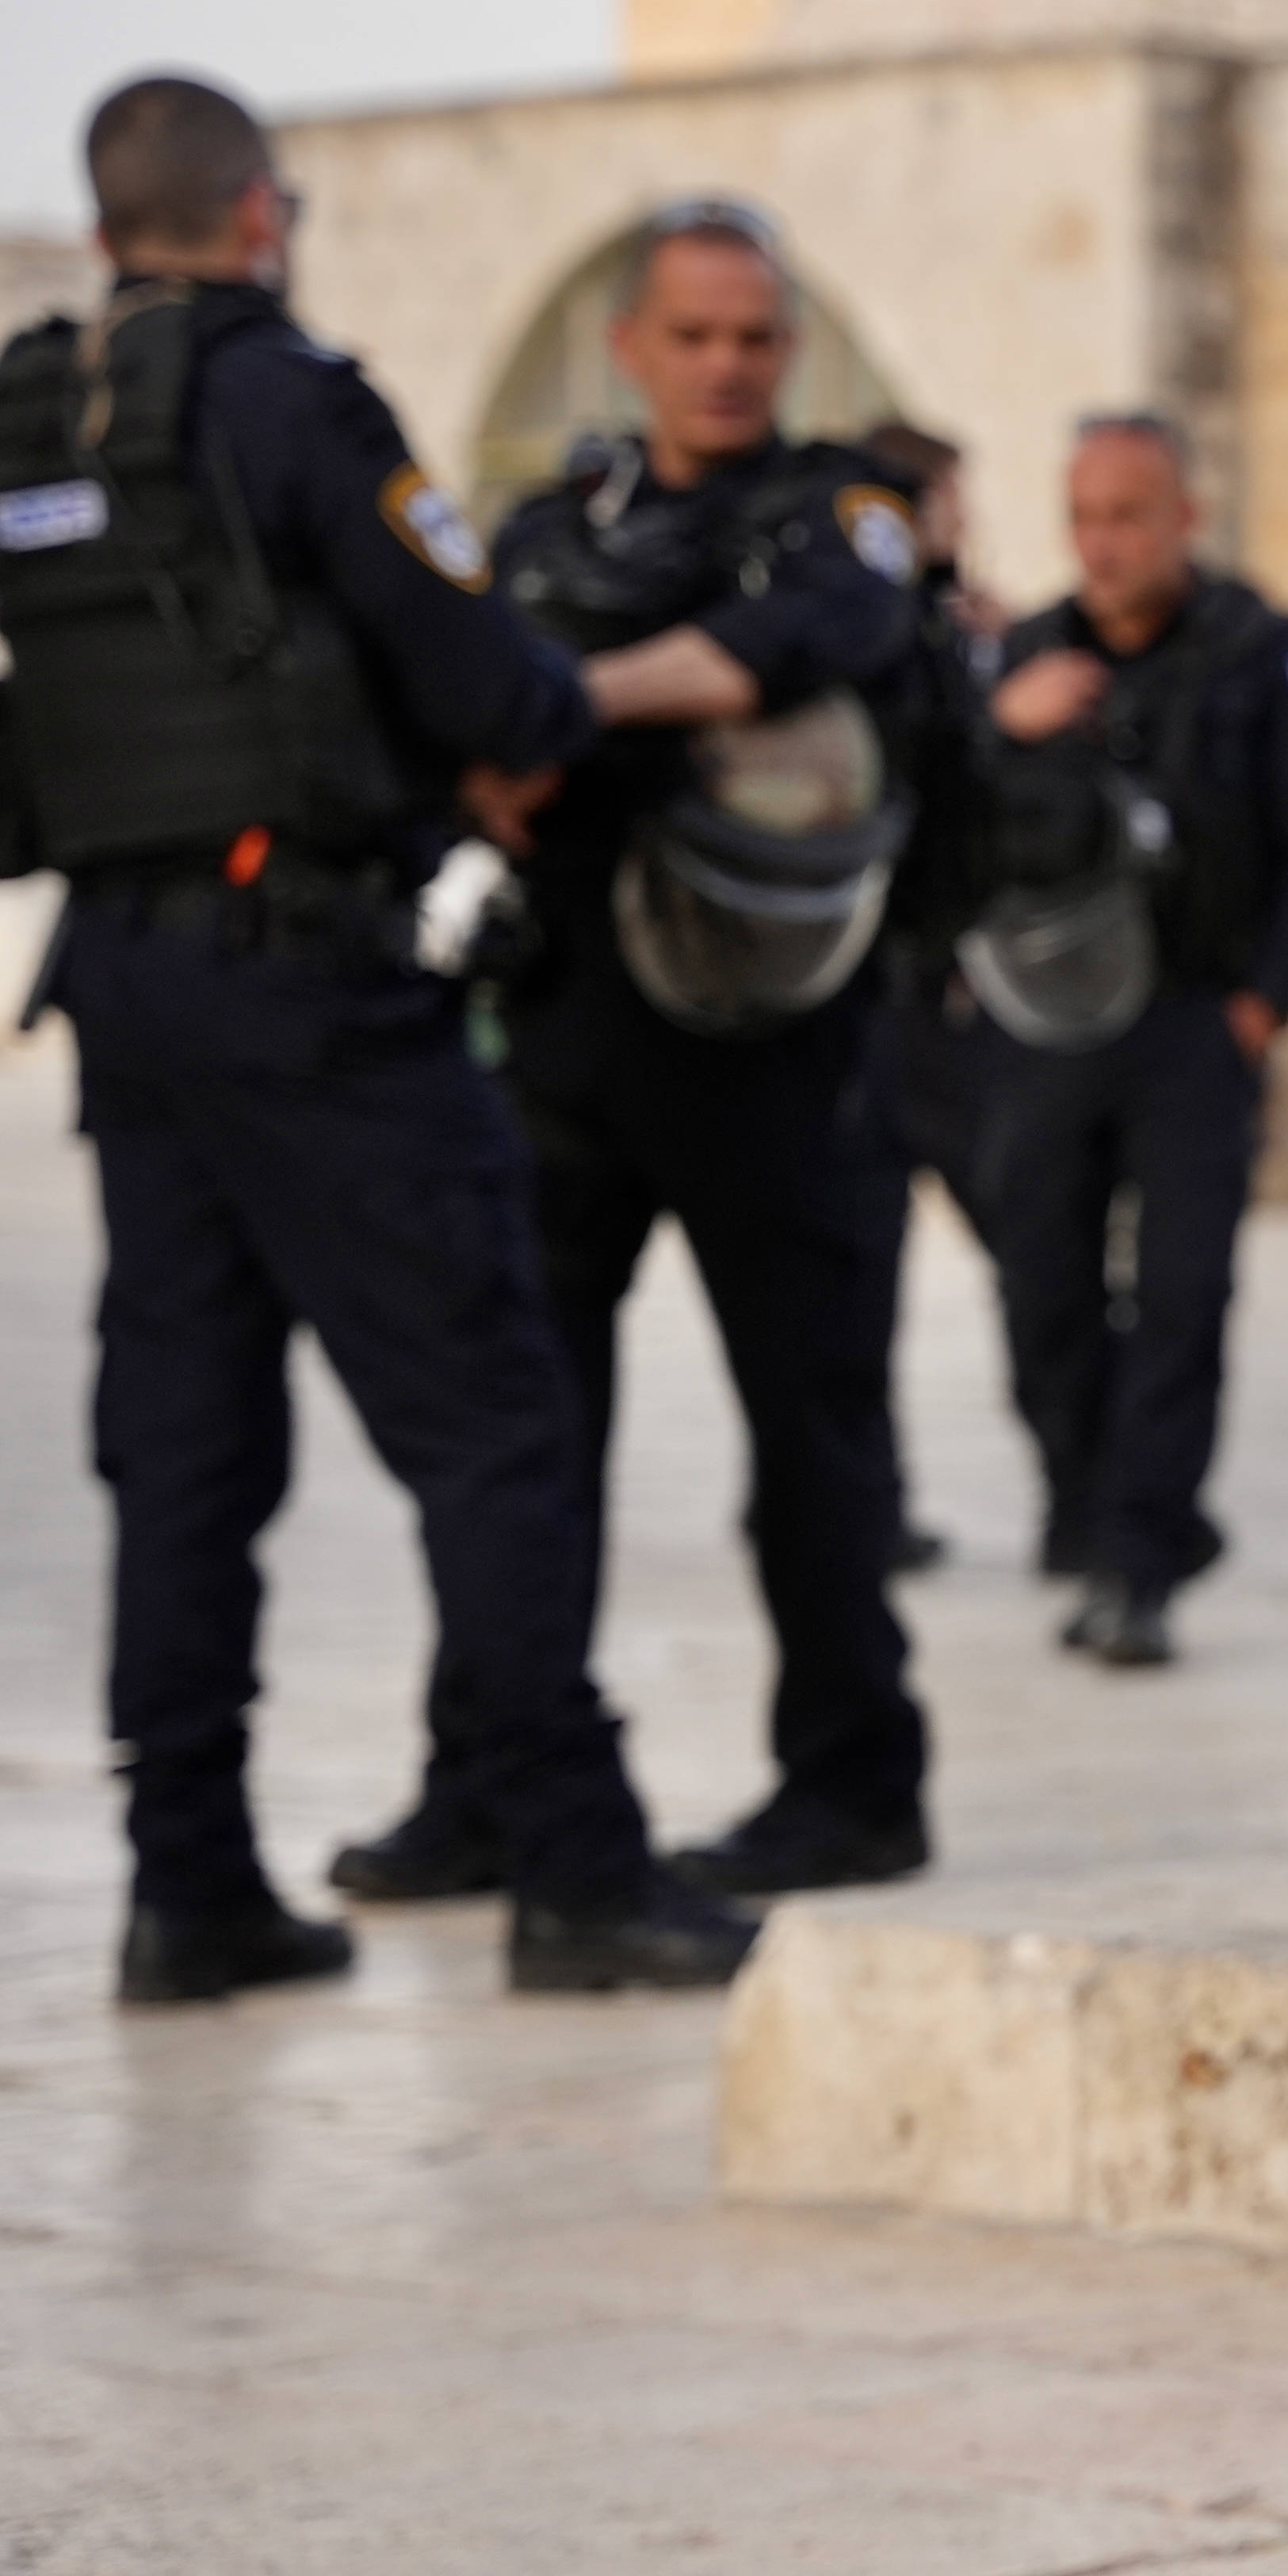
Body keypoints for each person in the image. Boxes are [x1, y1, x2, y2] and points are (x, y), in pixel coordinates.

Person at [0, 77, 752, 1996]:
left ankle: (190, 1883)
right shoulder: (294, 399)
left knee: (182, 1449)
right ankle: (572, 1868)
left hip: (124, 980)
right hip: (314, 980)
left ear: (102, 226)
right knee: (492, 1419)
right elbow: (487, 677)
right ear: (259, 218)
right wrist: (524, 726)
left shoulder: (22, 414)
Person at [388, 196, 940, 1905]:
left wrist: (565, 705)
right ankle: (490, 1781)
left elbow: (794, 650)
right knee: (524, 1439)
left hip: (780, 1052)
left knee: (812, 1443)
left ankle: (852, 1787)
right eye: (693, 336)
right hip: (566, 1035)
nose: (726, 366)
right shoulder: (559, 517)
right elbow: (451, 679)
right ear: (631, 347)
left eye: (756, 337)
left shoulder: (840, 512)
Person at [966, 411, 1288, 1669]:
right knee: (1041, 1286)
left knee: (1182, 1297)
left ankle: (1139, 1562)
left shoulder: (1266, 656)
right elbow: (941, 827)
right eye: (1085, 517)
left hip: (1197, 1020)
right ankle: (1099, 1508)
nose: (1105, 542)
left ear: (1186, 517)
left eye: (1131, 515)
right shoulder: (1022, 659)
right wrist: (999, 730)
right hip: (1049, 1028)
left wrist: (1263, 1005)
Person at [856, 415, 1003, 1576]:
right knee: (852, 1263)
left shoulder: (965, 630)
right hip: (886, 996)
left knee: (1028, 1237)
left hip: (948, 994)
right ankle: (861, 1496)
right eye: (951, 501)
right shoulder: (879, 633)